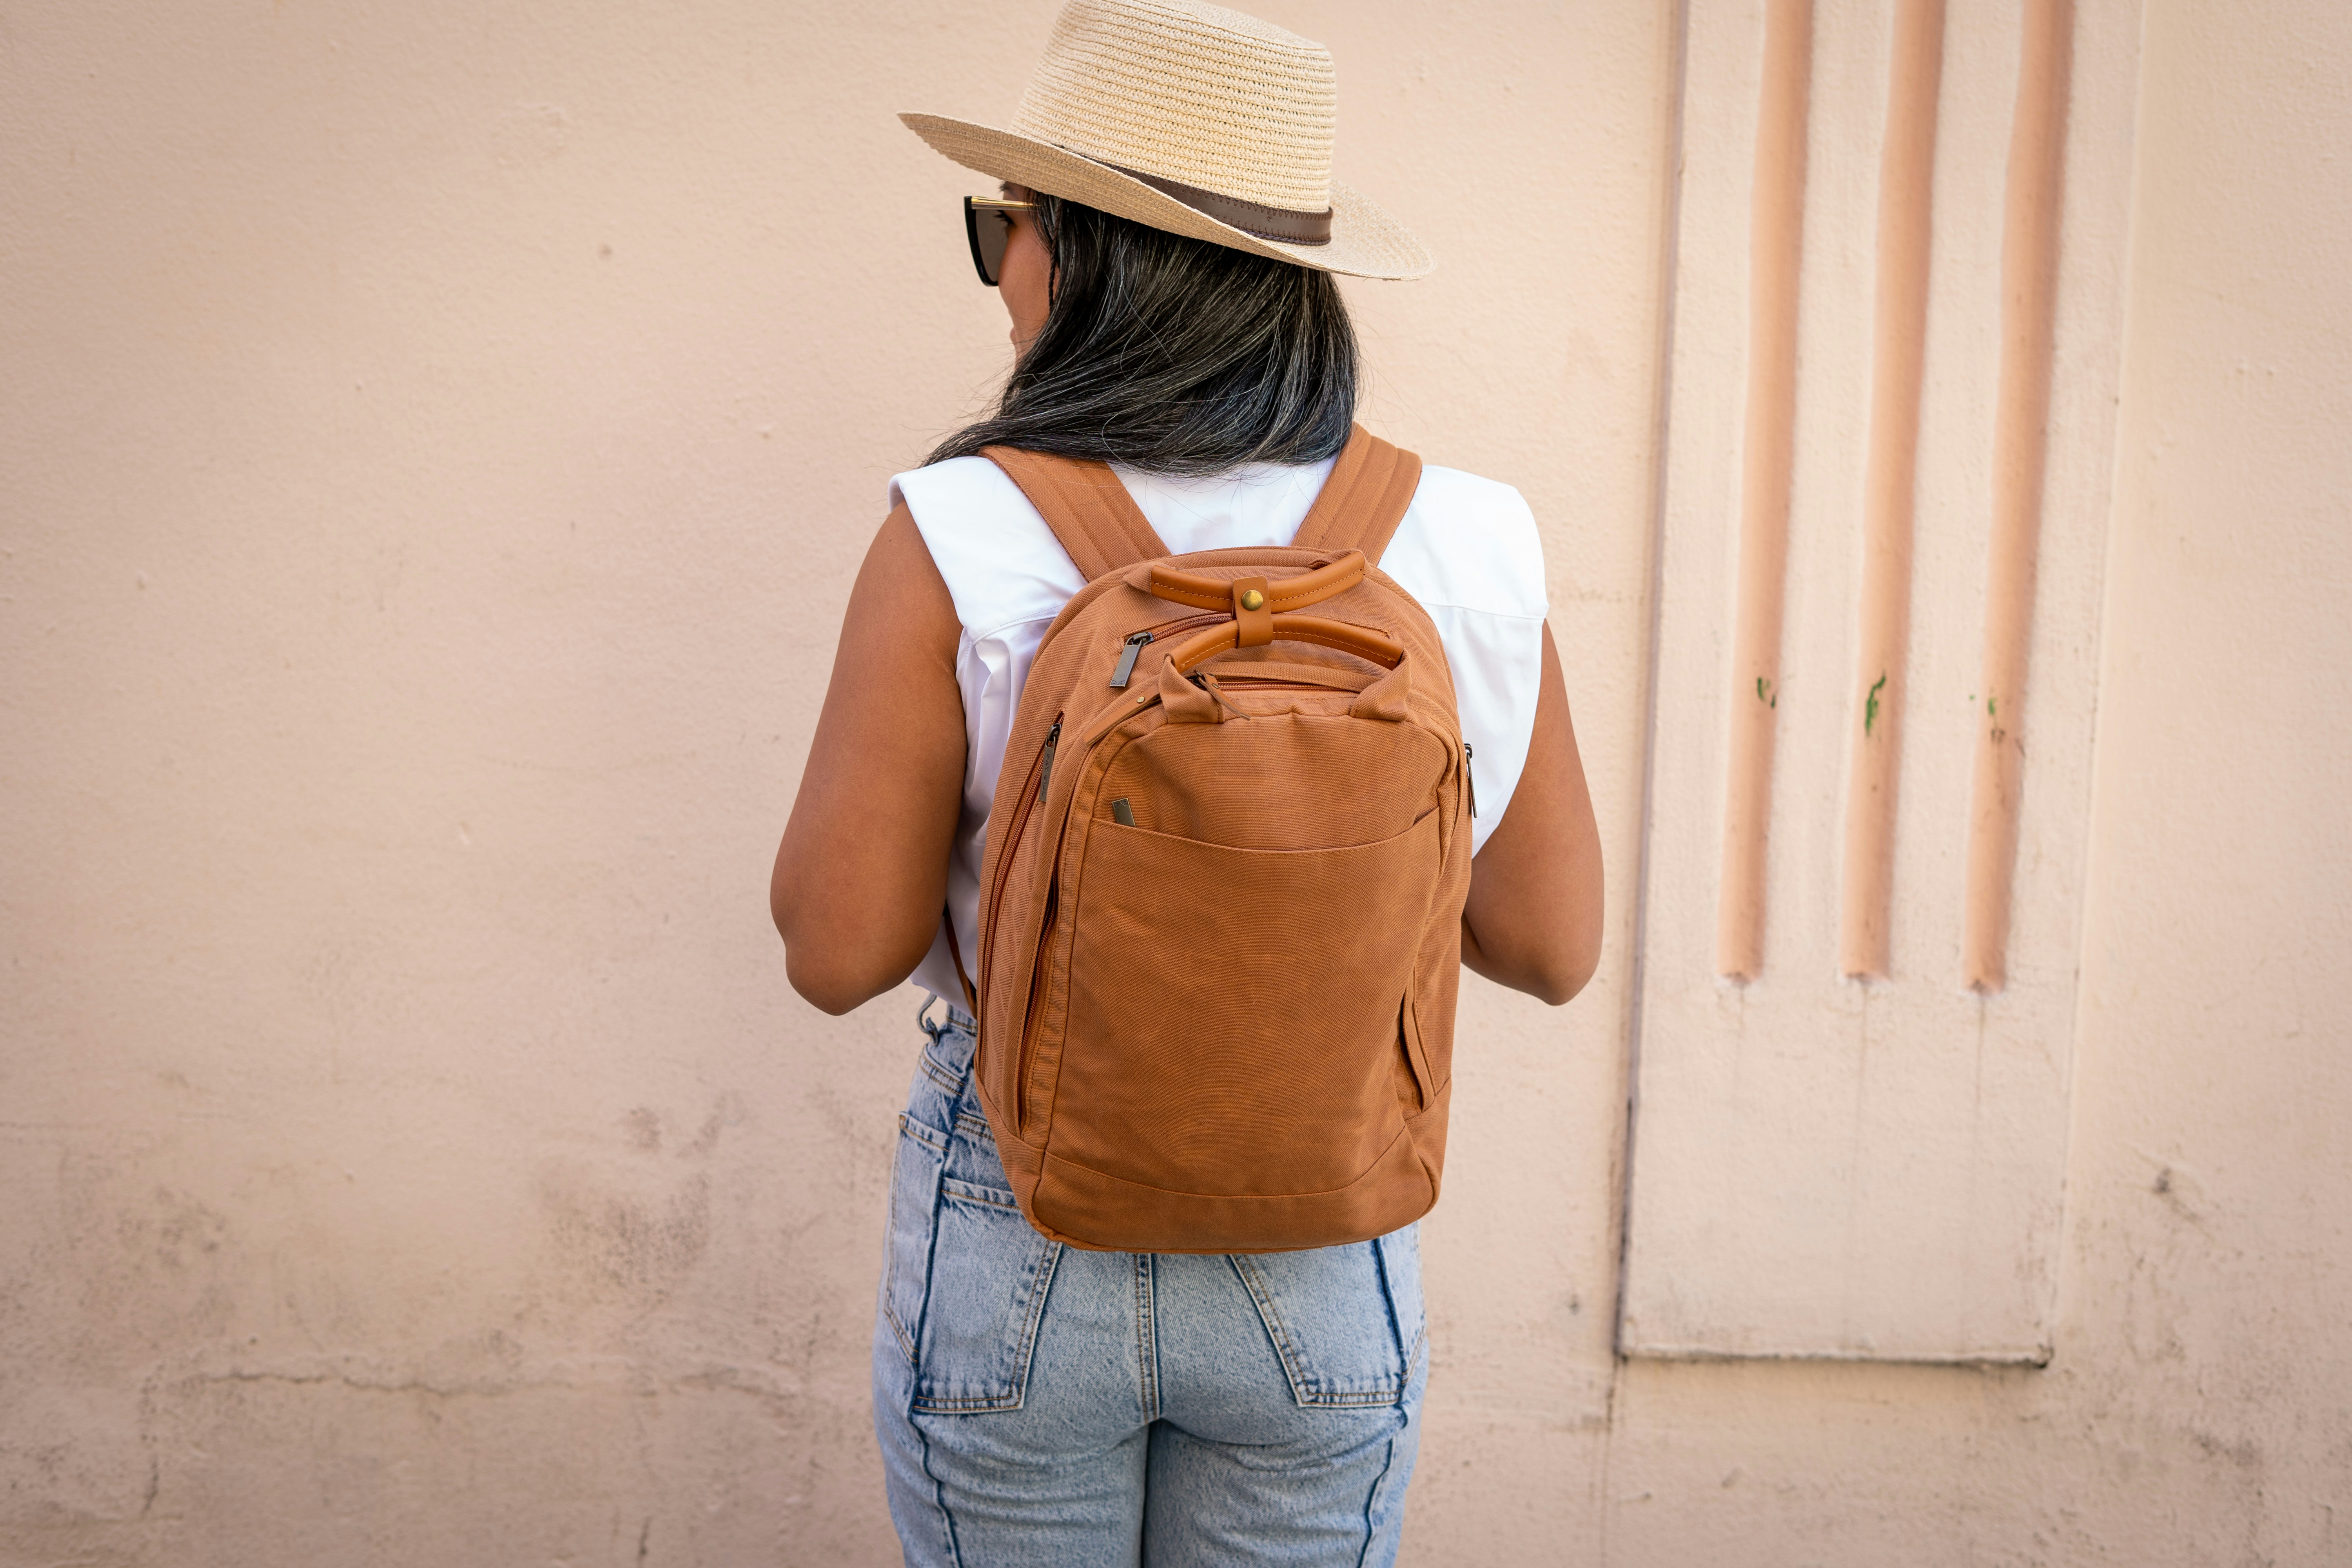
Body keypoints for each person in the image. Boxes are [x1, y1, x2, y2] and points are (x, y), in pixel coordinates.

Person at [771, 1, 1602, 1561]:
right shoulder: (1469, 540)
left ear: (1080, 254)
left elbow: (834, 955)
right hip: (1322, 1233)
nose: (999, 271)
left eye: (1000, 229)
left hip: (1019, 1216)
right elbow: (1553, 948)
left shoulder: (961, 531)